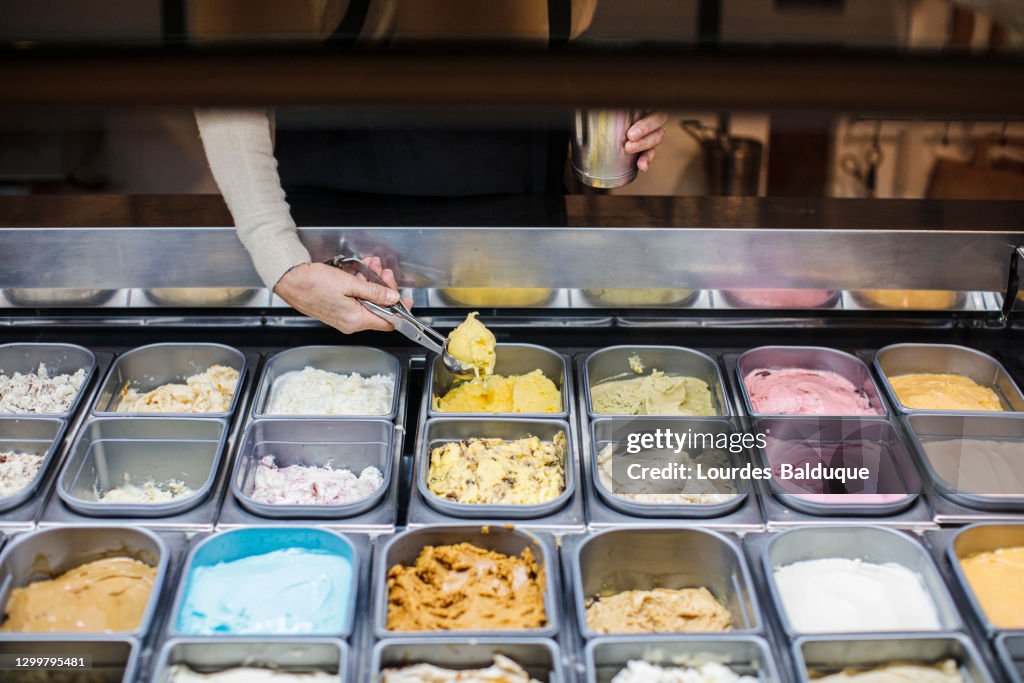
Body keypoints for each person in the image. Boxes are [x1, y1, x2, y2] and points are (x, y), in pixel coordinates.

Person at [191, 0, 669, 333]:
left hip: (518, 225)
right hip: (339, 236)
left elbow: (583, 42)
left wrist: (641, 90)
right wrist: (280, 260)